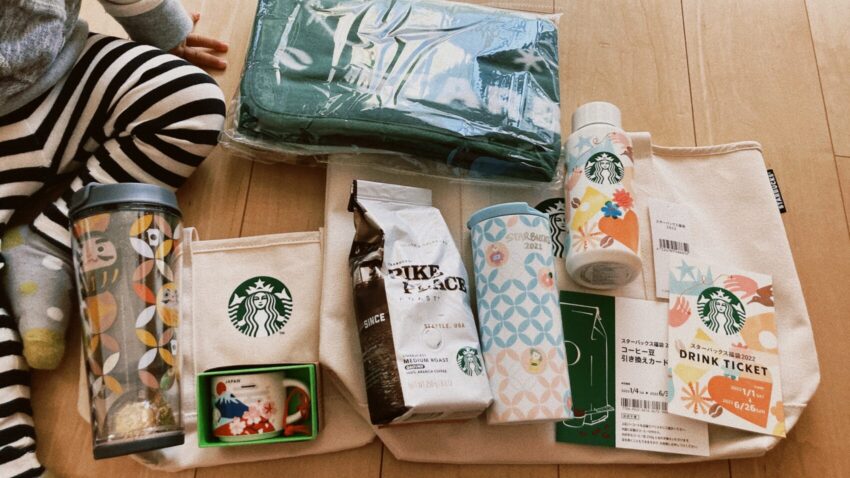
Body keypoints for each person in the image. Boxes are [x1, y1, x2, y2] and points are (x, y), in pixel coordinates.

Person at [0, 1, 229, 475]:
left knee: (193, 101)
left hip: (67, 76)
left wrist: (163, 30)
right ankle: (12, 461)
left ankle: (48, 239)